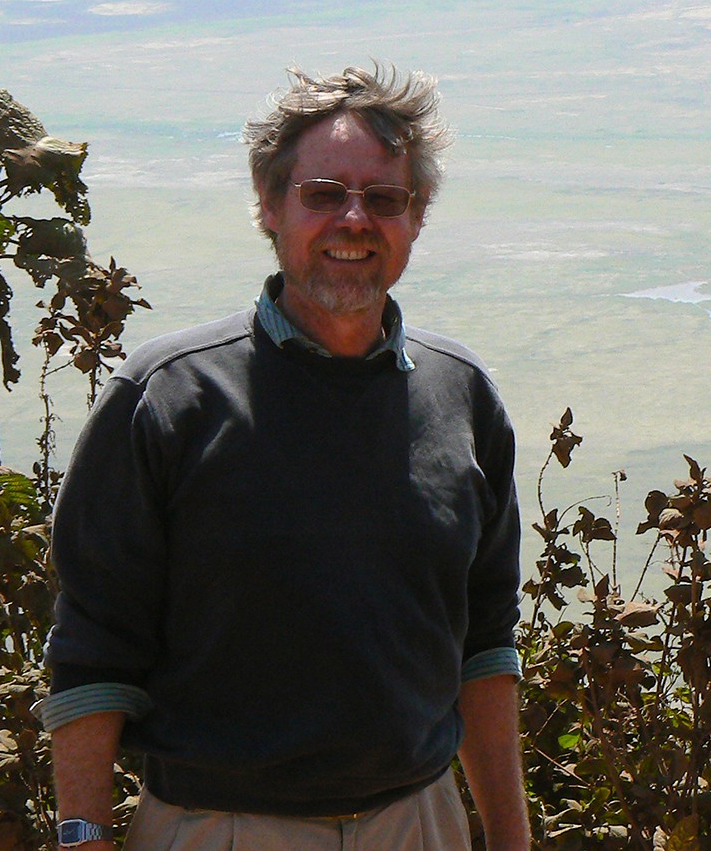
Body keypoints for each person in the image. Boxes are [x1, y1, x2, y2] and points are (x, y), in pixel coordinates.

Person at [36, 64, 531, 850]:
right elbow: (94, 647)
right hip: (219, 829)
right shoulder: (167, 398)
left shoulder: (462, 396)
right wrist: (81, 833)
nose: (355, 219)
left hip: (421, 825)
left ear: (417, 215)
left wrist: (509, 837)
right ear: (270, 206)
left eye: (385, 198)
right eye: (325, 194)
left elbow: (484, 646)